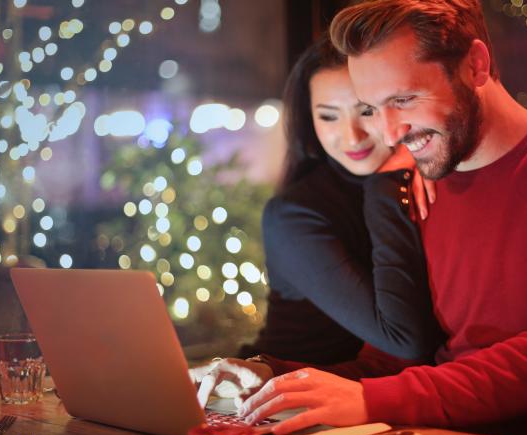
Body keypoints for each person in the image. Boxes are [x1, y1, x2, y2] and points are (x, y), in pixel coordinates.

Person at [197, 0, 527, 435]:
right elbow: (393, 365)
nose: (388, 132)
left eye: (402, 100)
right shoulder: (422, 183)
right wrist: (271, 378)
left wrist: (368, 399)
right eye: (372, 107)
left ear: (476, 66)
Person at [191, 36, 445, 402]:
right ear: (309, 121)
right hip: (274, 397)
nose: (351, 135)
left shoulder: (422, 181)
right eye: (328, 115)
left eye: (366, 111)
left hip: (357, 398)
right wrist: (387, 182)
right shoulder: (295, 215)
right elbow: (406, 340)